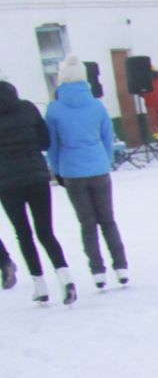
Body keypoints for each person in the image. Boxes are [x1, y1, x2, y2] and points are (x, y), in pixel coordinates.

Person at [44, 54, 128, 295]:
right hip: (99, 167)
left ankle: (97, 271)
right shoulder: (97, 105)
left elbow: (53, 145)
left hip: (72, 171)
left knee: (87, 223)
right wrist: (106, 161)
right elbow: (106, 137)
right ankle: (121, 266)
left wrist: (58, 170)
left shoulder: (55, 109)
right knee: (108, 219)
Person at [0, 79, 73, 304]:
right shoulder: (28, 108)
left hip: (7, 181)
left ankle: (40, 286)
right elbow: (45, 141)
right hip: (37, 177)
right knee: (46, 231)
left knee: (23, 233)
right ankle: (66, 279)